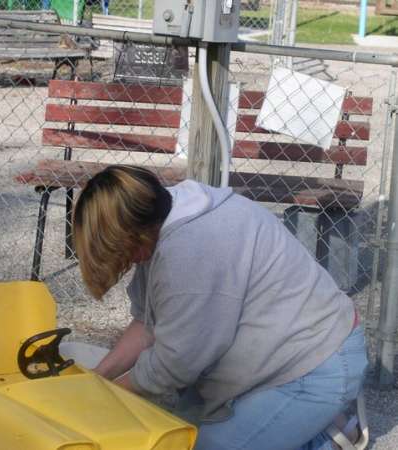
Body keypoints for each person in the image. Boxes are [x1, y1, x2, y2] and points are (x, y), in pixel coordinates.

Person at [72, 165, 368, 450]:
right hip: (279, 356)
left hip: (313, 367)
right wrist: (99, 377)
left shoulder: (189, 253)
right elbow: (146, 324)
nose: (128, 260)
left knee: (198, 445)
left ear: (134, 236)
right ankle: (301, 428)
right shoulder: (166, 214)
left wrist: (109, 397)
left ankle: (326, 439)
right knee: (173, 426)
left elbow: (175, 364)